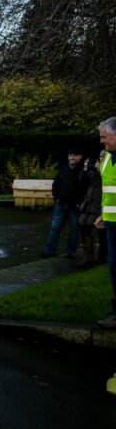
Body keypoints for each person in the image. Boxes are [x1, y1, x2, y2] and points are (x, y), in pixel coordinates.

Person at [42, 148, 86, 258]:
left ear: (80, 156)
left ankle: (71, 251)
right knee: (55, 228)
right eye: (70, 155)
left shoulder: (83, 170)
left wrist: (80, 202)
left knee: (74, 229)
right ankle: (50, 251)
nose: (72, 157)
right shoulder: (63, 169)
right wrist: (56, 198)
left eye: (75, 155)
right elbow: (55, 185)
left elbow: (86, 189)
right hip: (61, 205)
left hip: (75, 207)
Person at [96, 117, 116, 329]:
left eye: (104, 137)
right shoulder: (107, 160)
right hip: (111, 223)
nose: (102, 141)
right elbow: (108, 192)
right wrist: (103, 214)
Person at [78, 151, 107, 267]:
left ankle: (103, 257)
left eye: (103, 158)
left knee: (102, 234)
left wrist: (101, 171)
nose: (101, 160)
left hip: (101, 207)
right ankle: (88, 257)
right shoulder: (93, 172)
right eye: (100, 158)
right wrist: (85, 170)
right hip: (88, 206)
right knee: (84, 229)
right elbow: (81, 183)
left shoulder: (107, 171)